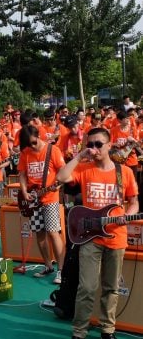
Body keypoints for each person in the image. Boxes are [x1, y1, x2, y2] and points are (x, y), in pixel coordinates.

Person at [57, 127, 139, 339]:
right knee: (87, 287)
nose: (93, 148)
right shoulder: (84, 168)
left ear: (109, 145)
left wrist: (127, 215)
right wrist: (79, 155)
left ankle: (107, 329)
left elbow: (134, 202)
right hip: (90, 237)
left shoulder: (125, 172)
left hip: (116, 236)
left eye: (98, 144)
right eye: (90, 144)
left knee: (111, 288)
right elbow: (61, 176)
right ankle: (79, 330)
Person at [18, 125, 66, 284]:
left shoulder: (53, 151)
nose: (31, 147)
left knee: (53, 233)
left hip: (50, 198)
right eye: (28, 144)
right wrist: (24, 192)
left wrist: (58, 185)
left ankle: (61, 269)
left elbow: (63, 172)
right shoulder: (25, 153)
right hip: (33, 199)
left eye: (33, 142)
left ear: (38, 136)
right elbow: (23, 174)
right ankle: (47, 265)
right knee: (39, 233)